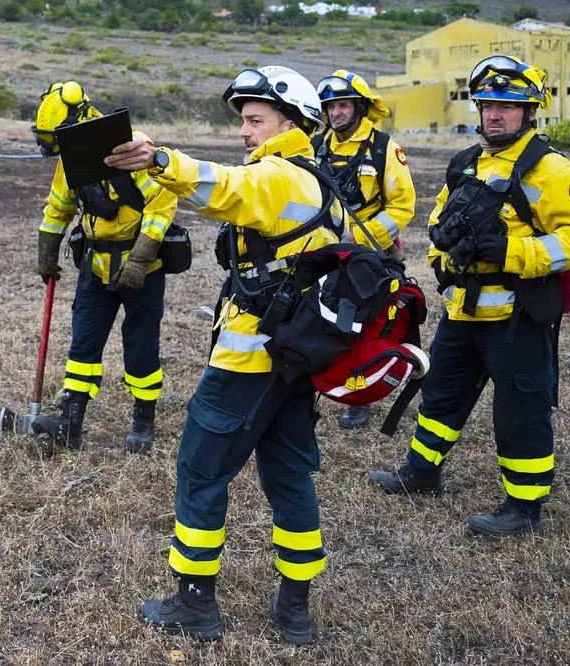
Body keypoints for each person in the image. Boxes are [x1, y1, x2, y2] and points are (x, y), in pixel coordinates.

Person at [105, 66, 343, 645]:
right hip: (291, 365)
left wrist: (161, 160)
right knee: (289, 476)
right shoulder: (320, 180)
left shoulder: (280, 176)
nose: (245, 131)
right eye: (243, 120)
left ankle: (195, 605)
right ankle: (295, 611)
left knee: (200, 472)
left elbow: (227, 187)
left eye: (255, 120)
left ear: (291, 123)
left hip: (248, 366)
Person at [369, 55, 570, 536]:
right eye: (487, 105)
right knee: (440, 392)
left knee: (520, 411)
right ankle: (422, 472)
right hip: (463, 310)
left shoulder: (552, 170)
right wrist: (441, 252)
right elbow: (436, 217)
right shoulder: (466, 162)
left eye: (507, 106)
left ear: (530, 113)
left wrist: (512, 251)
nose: (494, 114)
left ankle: (524, 507)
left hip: (517, 316)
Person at [30, 81, 178, 454]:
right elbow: (59, 207)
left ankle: (143, 421)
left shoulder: (134, 147)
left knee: (141, 344)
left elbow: (163, 206)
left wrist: (140, 261)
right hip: (94, 265)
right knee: (83, 343)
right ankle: (70, 424)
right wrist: (47, 252)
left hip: (142, 269)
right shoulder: (72, 158)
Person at [313, 70, 416, 430]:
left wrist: (363, 236)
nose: (336, 113)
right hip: (322, 250)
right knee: (314, 317)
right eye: (330, 107)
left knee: (360, 324)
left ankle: (360, 392)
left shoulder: (384, 148)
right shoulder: (315, 145)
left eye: (342, 105)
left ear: (359, 107)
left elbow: (403, 206)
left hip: (367, 255)